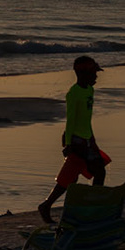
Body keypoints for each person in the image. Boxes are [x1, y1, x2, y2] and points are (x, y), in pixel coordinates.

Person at [37, 56, 108, 224]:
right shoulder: (74, 93)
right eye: (93, 74)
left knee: (98, 171)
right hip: (76, 140)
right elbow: (71, 120)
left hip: (87, 139)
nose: (96, 77)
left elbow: (86, 120)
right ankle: (46, 206)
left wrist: (92, 139)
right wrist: (69, 143)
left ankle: (92, 206)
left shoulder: (90, 90)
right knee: (71, 178)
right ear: (82, 74)